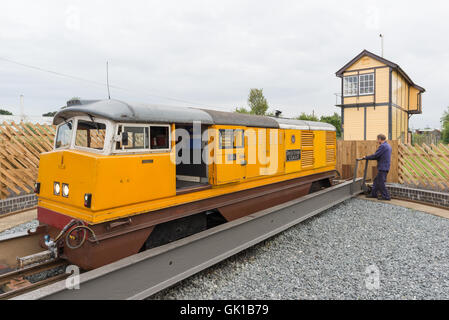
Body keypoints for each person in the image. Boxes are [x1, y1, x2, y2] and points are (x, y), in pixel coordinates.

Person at [362, 134, 392, 200]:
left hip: (383, 167)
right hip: (386, 166)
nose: (377, 140)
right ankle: (373, 194)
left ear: (380, 139)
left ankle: (386, 196)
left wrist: (366, 157)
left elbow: (376, 155)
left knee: (381, 182)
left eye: (377, 139)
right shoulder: (388, 146)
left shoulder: (383, 146)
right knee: (376, 180)